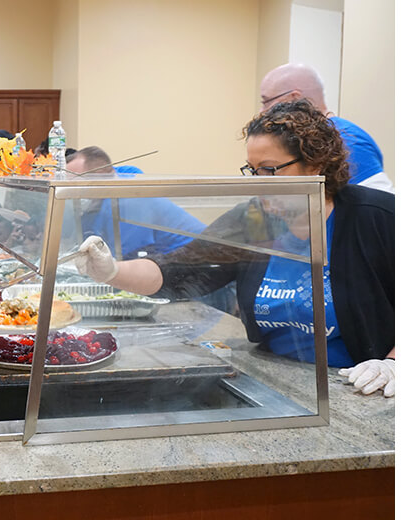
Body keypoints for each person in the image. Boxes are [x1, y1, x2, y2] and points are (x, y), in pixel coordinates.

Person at [75, 100, 394, 397]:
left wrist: (395, 363)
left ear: (316, 164)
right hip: (283, 383)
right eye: (252, 171)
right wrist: (112, 270)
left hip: (361, 388)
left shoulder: (375, 218)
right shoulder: (255, 221)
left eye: (269, 170)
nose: (258, 183)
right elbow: (178, 268)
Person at [259, 63, 394, 194]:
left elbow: (379, 207)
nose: (262, 111)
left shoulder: (345, 141)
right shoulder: (304, 139)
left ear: (295, 98)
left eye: (266, 101)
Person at [66, 146, 207, 258]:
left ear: (100, 176)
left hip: (198, 261)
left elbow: (124, 259)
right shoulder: (98, 201)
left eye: (76, 182)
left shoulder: (128, 199)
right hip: (167, 263)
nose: (72, 191)